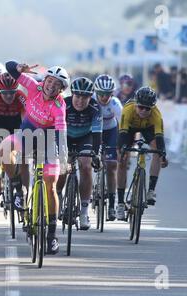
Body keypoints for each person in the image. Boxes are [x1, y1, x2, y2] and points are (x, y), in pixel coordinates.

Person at [0, 61, 69, 255]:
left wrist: (64, 160)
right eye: (50, 80)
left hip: (48, 141)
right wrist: (19, 68)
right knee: (4, 149)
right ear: (44, 79)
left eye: (57, 84)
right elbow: (9, 68)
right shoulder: (33, 86)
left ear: (61, 89)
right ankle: (18, 191)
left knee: (50, 184)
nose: (51, 85)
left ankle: (52, 236)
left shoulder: (59, 106)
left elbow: (61, 136)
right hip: (27, 134)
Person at [116, 86, 168, 220]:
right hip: (130, 129)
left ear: (152, 107)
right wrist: (121, 151)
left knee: (157, 150)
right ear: (136, 104)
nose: (144, 111)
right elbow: (122, 135)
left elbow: (160, 137)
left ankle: (151, 190)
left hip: (148, 128)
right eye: (141, 107)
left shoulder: (156, 114)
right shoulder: (127, 110)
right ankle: (120, 203)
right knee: (121, 160)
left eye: (147, 108)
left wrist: (163, 156)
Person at [56, 77, 101, 230]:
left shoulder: (95, 108)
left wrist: (95, 154)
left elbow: (97, 135)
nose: (80, 101)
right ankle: (58, 196)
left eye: (85, 97)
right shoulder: (64, 104)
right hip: (65, 137)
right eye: (78, 96)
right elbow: (56, 130)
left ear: (91, 97)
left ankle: (83, 212)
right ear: (72, 94)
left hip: (85, 138)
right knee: (62, 167)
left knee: (86, 166)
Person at [0, 72, 26, 202]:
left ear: (17, 90)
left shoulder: (21, 97)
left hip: (16, 123)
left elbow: (27, 118)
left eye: (12, 92)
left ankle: (20, 187)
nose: (9, 96)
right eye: (5, 92)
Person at [93, 74, 122, 221]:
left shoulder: (116, 104)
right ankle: (93, 185)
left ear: (113, 93)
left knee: (111, 165)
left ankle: (112, 205)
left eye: (108, 94)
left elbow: (123, 127)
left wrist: (122, 146)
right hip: (93, 131)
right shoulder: (90, 100)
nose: (104, 97)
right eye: (101, 94)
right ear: (96, 92)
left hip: (110, 131)